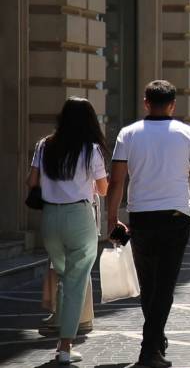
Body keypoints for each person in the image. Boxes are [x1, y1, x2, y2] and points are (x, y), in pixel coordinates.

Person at [107, 80, 190, 368]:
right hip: (175, 217)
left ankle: (155, 341)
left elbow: (117, 180)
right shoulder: (186, 133)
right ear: (172, 104)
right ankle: (150, 349)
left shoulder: (128, 134)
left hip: (141, 217)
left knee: (150, 284)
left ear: (146, 102)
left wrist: (111, 218)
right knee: (165, 284)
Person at [26, 97, 109, 365]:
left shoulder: (44, 145)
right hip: (79, 216)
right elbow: (103, 188)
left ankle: (58, 320)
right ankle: (64, 346)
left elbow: (31, 181)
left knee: (63, 274)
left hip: (50, 218)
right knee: (75, 281)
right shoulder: (91, 149)